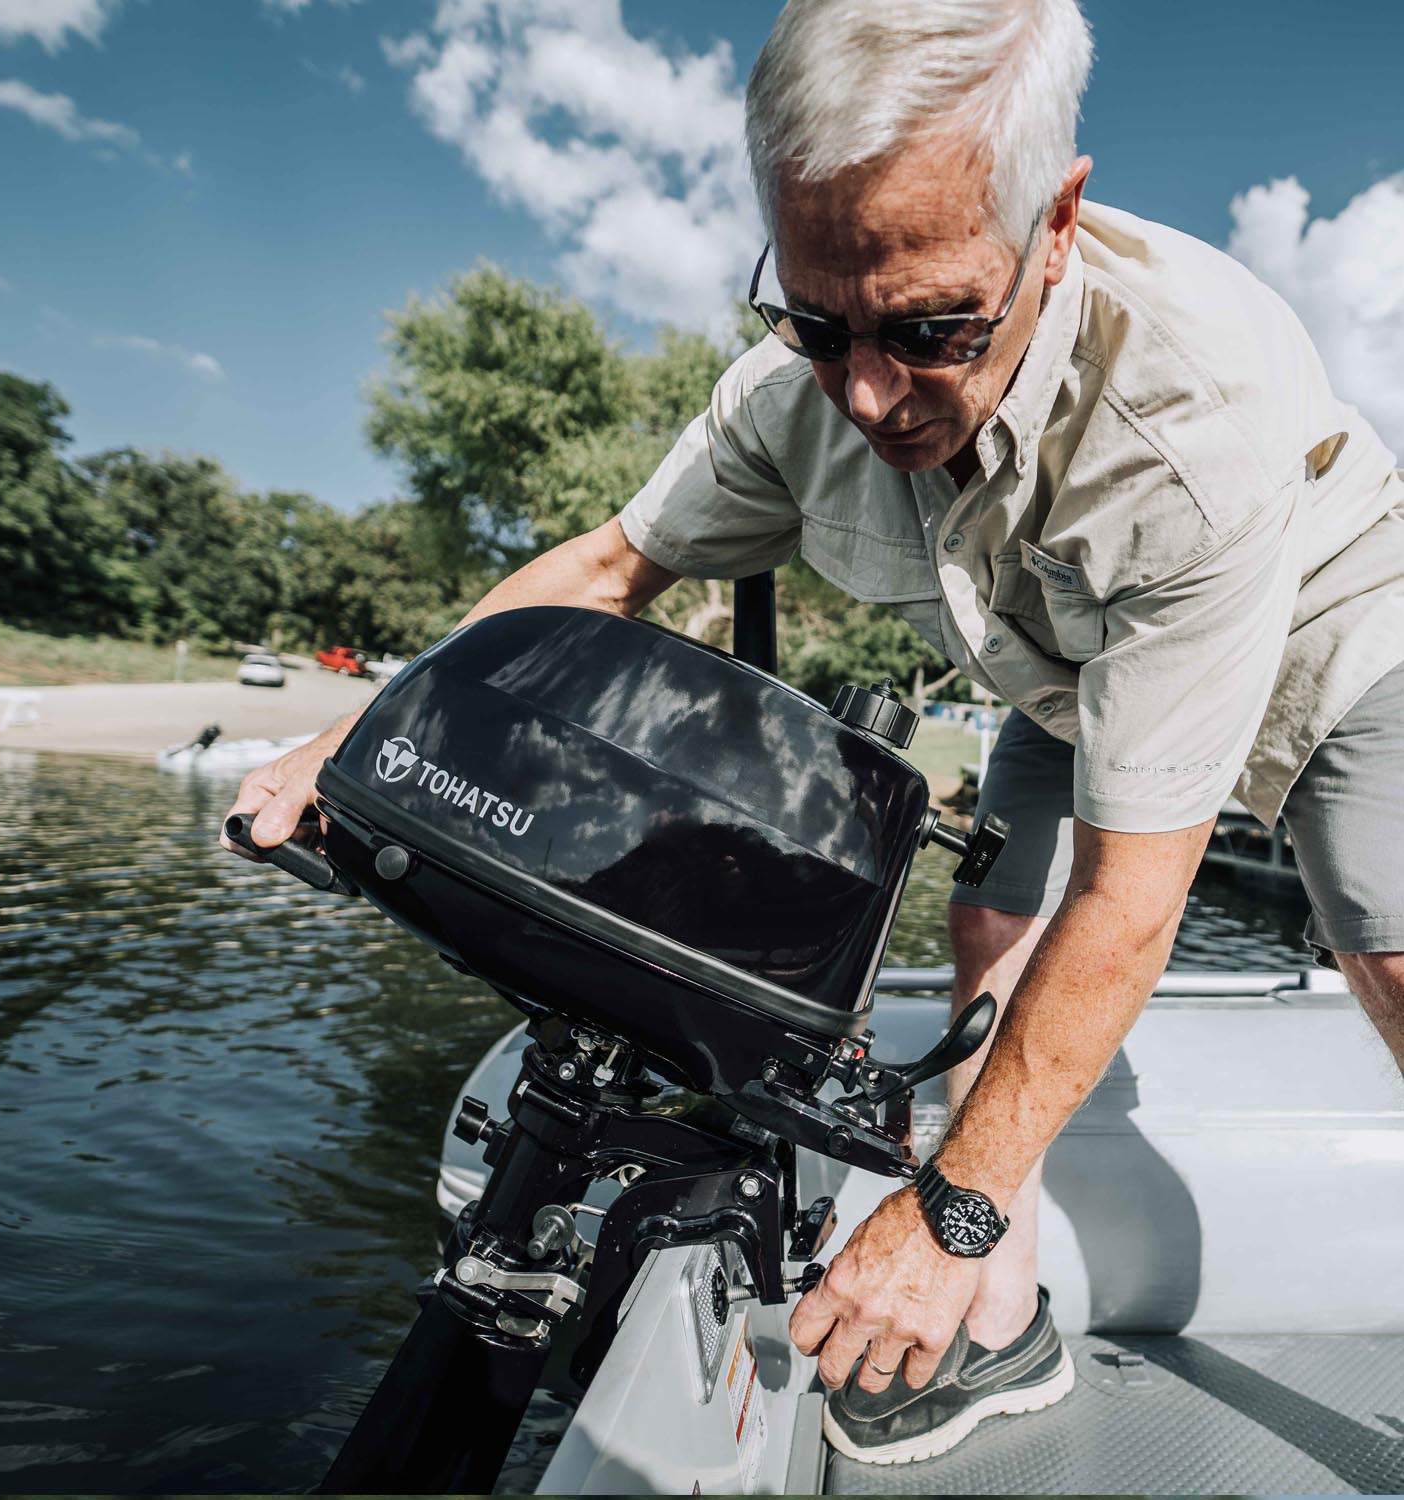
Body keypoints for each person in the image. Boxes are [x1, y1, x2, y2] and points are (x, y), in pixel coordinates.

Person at [223, 0, 1404, 1466]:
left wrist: (942, 1203)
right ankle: (1000, 1316)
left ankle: (972, 1231)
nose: (862, 395)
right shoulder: (799, 400)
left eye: (928, 330)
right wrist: (357, 736)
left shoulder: (1191, 429)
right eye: (815, 321)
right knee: (988, 922)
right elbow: (603, 572)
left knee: (1389, 941)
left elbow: (1134, 893)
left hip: (1327, 610)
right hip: (1056, 639)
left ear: (1056, 223)